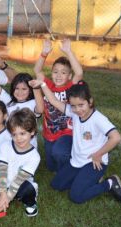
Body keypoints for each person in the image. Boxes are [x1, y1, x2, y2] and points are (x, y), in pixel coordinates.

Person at [30, 80, 121, 204]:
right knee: (56, 185)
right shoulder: (74, 113)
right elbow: (53, 100)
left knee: (76, 196)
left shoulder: (98, 119)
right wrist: (42, 84)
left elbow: (116, 137)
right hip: (77, 161)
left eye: (81, 105)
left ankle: (109, 183)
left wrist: (98, 154)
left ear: (90, 101)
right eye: (73, 106)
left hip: (94, 162)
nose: (77, 109)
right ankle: (88, 179)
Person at [33, 38, 83, 172]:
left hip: (67, 132)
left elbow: (79, 73)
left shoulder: (70, 87)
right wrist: (44, 53)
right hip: (50, 133)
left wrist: (68, 51)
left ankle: (73, 166)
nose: (59, 75)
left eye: (63, 72)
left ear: (69, 75)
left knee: (59, 153)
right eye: (55, 72)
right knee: (51, 166)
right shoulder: (48, 86)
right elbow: (37, 71)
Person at [0, 108, 40, 217]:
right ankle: (4, 200)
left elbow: (19, 180)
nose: (18, 138)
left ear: (32, 131)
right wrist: (2, 194)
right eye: (14, 134)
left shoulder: (34, 156)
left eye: (22, 133)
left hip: (20, 185)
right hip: (1, 184)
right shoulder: (5, 146)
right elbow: (2, 171)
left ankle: (30, 202)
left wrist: (7, 198)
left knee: (28, 189)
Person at [0, 66, 43, 148]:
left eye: (24, 89)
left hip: (28, 147)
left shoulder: (32, 103)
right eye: (17, 88)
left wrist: (36, 88)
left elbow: (40, 109)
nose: (20, 92)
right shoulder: (9, 102)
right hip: (10, 145)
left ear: (30, 90)